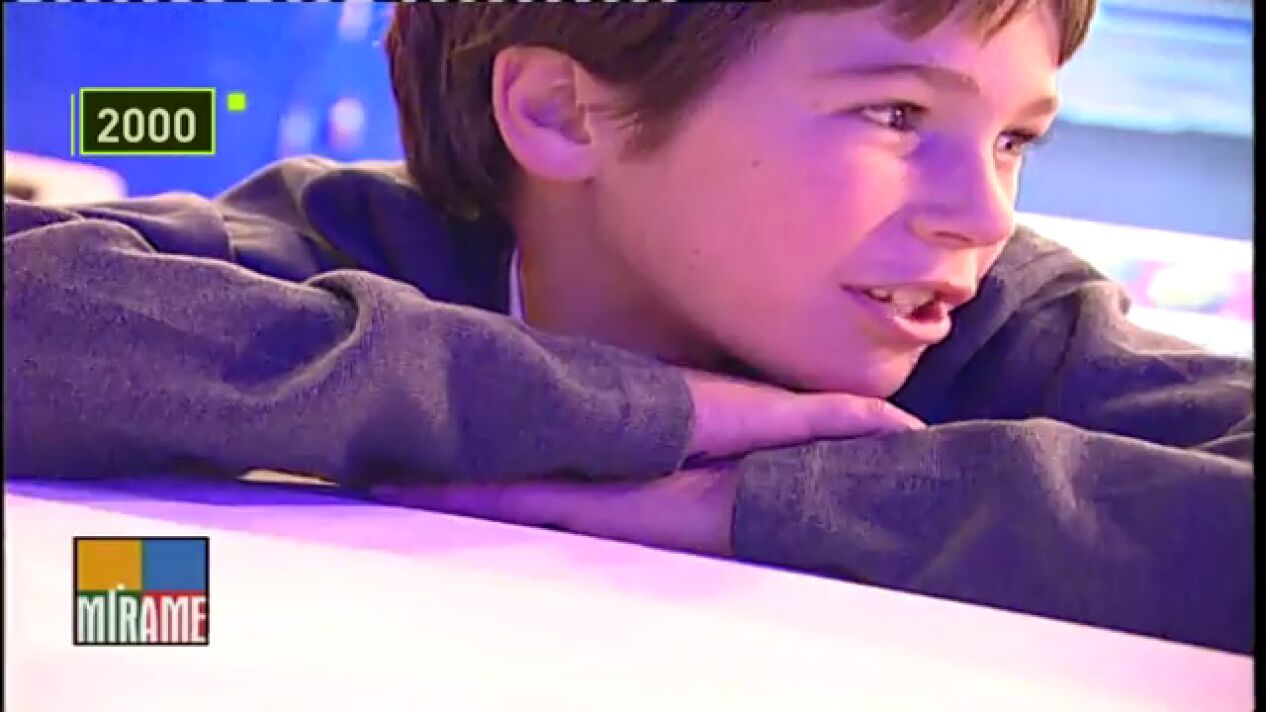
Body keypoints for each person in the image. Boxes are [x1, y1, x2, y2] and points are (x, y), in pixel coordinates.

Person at [3, 1, 1252, 654]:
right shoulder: (359, 241)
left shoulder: (1000, 325)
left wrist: (754, 501)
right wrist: (648, 414)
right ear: (562, 111)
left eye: (1015, 139)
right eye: (894, 115)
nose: (981, 213)